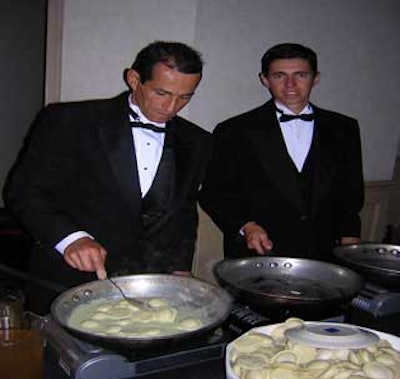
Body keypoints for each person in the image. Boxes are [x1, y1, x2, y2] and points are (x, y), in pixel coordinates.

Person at [3, 41, 211, 313]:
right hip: (70, 281)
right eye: (162, 93)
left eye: (185, 97)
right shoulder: (70, 120)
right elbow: (25, 191)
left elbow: (183, 211)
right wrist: (71, 238)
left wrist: (181, 268)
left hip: (150, 287)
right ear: (134, 79)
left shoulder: (197, 140)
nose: (172, 107)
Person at [200, 43, 364, 262]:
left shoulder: (344, 128)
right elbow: (214, 193)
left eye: (301, 75)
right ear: (265, 80)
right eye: (279, 76)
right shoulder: (234, 130)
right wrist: (246, 226)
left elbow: (350, 191)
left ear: (315, 78)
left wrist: (350, 240)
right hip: (259, 252)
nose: (290, 84)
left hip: (325, 252)